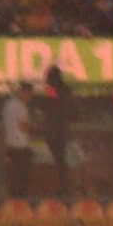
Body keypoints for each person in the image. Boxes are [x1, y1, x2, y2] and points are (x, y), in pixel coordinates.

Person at [39, 65, 74, 196]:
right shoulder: (67, 90)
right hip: (62, 129)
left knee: (59, 160)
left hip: (55, 130)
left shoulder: (54, 91)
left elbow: (50, 107)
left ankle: (63, 188)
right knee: (61, 160)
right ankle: (64, 187)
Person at [3, 82, 33, 199]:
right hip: (20, 145)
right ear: (24, 92)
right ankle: (21, 200)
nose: (30, 98)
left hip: (10, 144)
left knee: (13, 175)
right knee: (22, 176)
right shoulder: (21, 107)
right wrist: (33, 126)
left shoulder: (8, 104)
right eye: (29, 95)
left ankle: (14, 199)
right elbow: (23, 126)